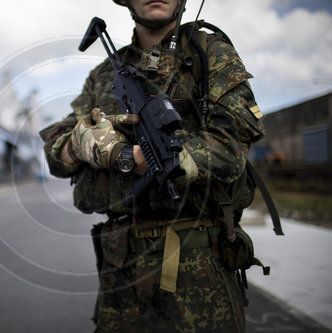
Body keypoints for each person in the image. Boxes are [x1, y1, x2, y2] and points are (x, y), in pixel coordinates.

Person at [39, 0, 266, 332]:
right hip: (121, 271)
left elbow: (232, 142)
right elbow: (55, 149)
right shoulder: (103, 75)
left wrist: (168, 160)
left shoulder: (209, 52)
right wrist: (81, 145)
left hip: (198, 268)